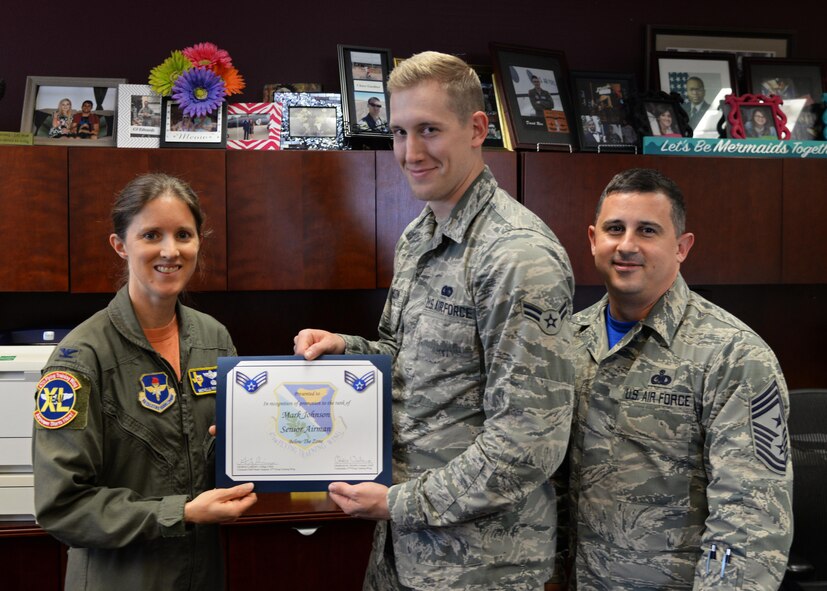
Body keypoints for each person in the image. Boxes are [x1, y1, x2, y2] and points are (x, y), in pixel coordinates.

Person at [294, 50, 575, 590]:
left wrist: (401, 502)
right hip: (403, 551)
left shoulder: (516, 256)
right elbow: (407, 361)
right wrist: (346, 350)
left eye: (428, 130)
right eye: (399, 132)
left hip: (481, 566)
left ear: (476, 129)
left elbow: (529, 443)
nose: (410, 152)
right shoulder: (420, 235)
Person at [559, 168, 793, 589]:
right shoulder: (564, 343)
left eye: (647, 230)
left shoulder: (733, 355)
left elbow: (751, 521)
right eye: (615, 229)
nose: (627, 245)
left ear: (682, 247)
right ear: (594, 239)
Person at [32, 173, 258, 590]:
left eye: (183, 235)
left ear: (198, 242)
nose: (170, 251)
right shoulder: (82, 358)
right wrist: (182, 513)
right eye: (152, 234)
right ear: (121, 245)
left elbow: (232, 454)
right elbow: (62, 506)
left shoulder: (214, 339)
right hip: (119, 578)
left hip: (202, 574)